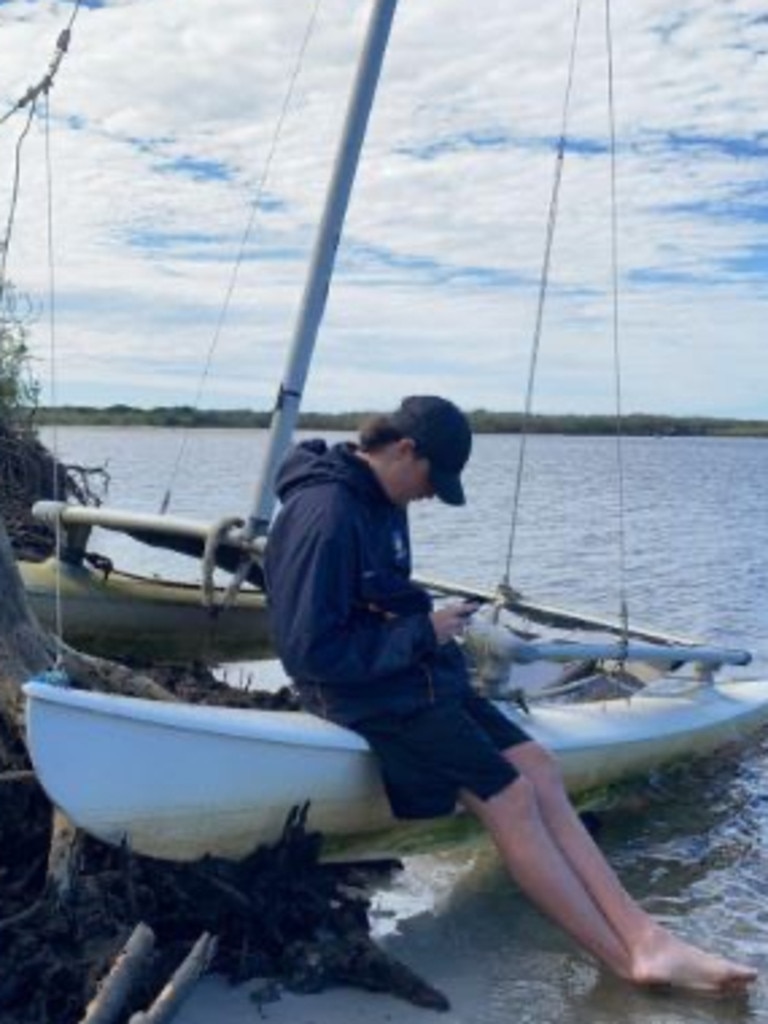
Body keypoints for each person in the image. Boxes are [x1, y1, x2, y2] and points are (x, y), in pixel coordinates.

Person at [264, 394, 756, 995]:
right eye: (431, 481)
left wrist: (429, 632)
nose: (429, 496)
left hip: (414, 676)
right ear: (402, 449)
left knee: (539, 769)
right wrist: (425, 630)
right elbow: (309, 652)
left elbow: (378, 604)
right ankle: (627, 961)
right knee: (511, 800)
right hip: (362, 696)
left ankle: (646, 934)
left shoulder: (381, 500)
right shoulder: (326, 513)